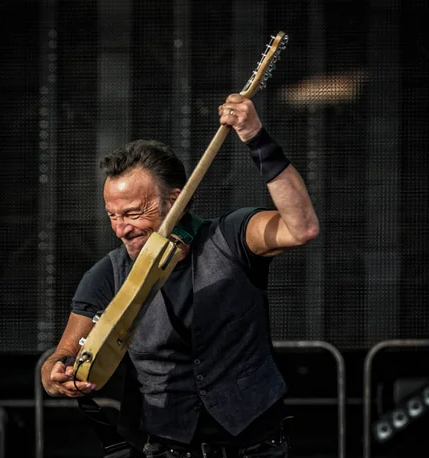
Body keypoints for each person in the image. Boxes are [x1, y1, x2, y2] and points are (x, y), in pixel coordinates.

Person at [41, 93, 319, 458]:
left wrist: (255, 137)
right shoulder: (108, 274)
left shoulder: (232, 237)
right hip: (167, 449)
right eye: (113, 215)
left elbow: (301, 228)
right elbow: (62, 354)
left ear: (175, 200)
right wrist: (55, 375)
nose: (122, 229)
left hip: (255, 447)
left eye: (134, 212)